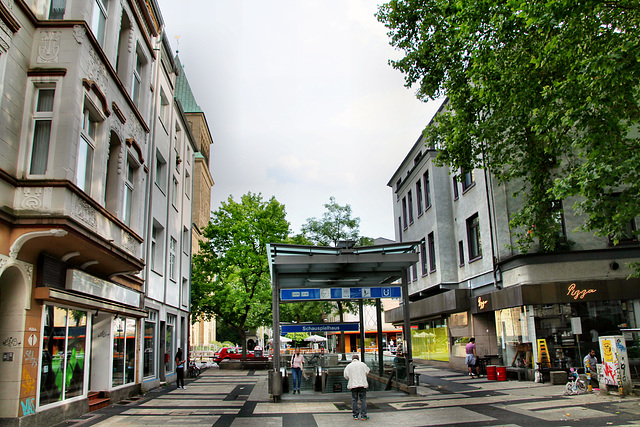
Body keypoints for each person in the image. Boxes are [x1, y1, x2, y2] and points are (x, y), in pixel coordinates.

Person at [344, 354, 370, 421]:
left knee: (354, 400)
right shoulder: (363, 364)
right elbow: (367, 371)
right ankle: (363, 415)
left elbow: (346, 376)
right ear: (358, 358)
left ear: (352, 359)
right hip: (362, 384)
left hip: (353, 385)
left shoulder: (349, 366)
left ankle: (355, 415)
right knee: (363, 400)